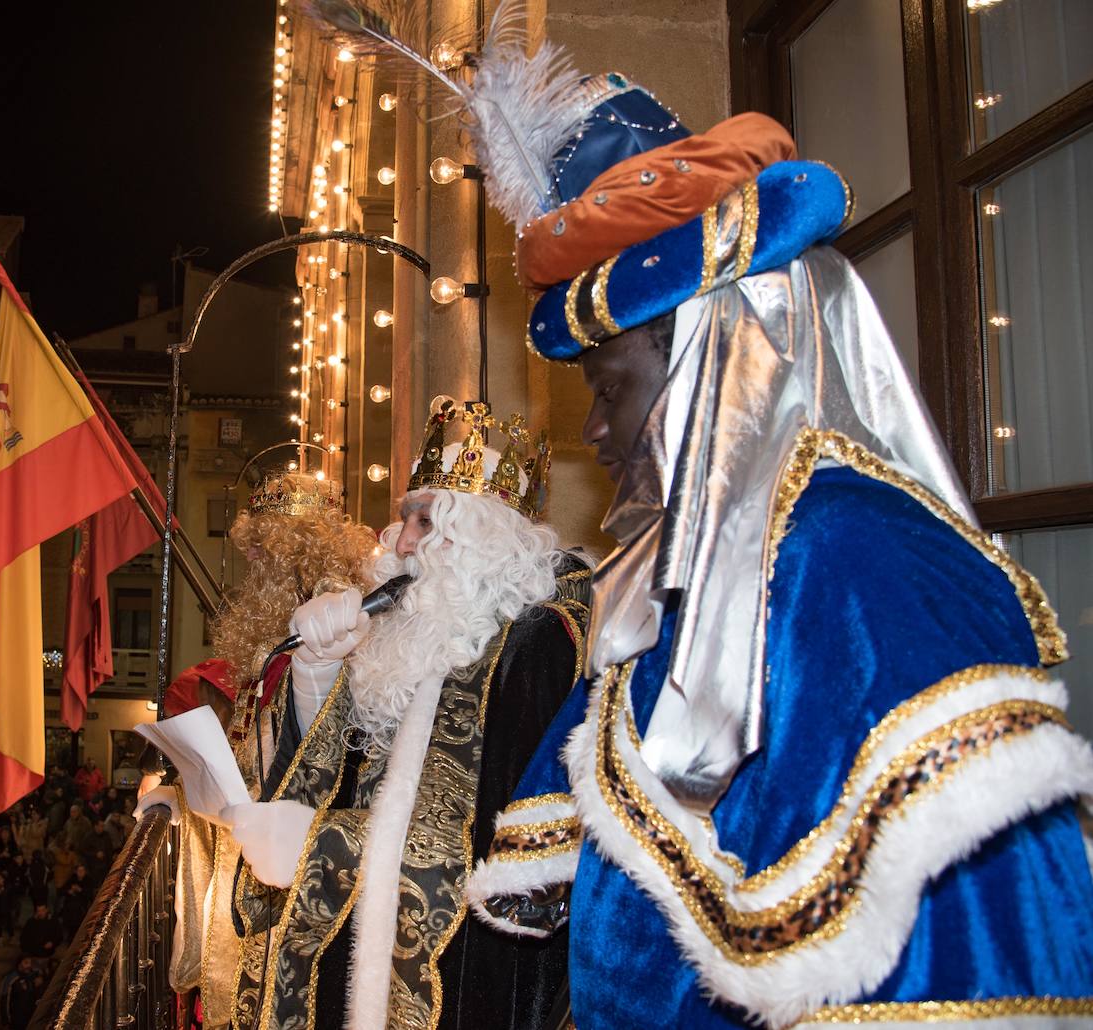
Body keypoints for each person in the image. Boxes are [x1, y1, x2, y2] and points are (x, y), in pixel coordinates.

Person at [438, 44, 1093, 1028]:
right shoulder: (671, 576)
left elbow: (971, 971)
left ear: (717, 360)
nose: (596, 431)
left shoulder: (859, 560)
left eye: (612, 388)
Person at [209, 404, 590, 1030]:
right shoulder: (417, 634)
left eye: (425, 520)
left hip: (466, 983)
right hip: (356, 951)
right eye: (403, 517)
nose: (402, 541)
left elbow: (505, 859)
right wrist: (317, 674)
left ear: (485, 538)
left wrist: (320, 844)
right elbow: (350, 771)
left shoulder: (538, 644)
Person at [138, 470, 378, 1029]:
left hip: (305, 885)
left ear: (292, 557)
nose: (249, 570)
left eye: (259, 556)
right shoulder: (270, 648)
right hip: (252, 874)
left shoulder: (333, 638)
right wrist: (183, 793)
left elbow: (327, 767)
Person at [0, 958, 35, 1030]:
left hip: (27, 1018)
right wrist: (6, 1021)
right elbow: (4, 999)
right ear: (19, 963)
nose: (29, 966)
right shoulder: (11, 978)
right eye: (26, 963)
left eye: (30, 963)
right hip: (15, 1019)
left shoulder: (29, 978)